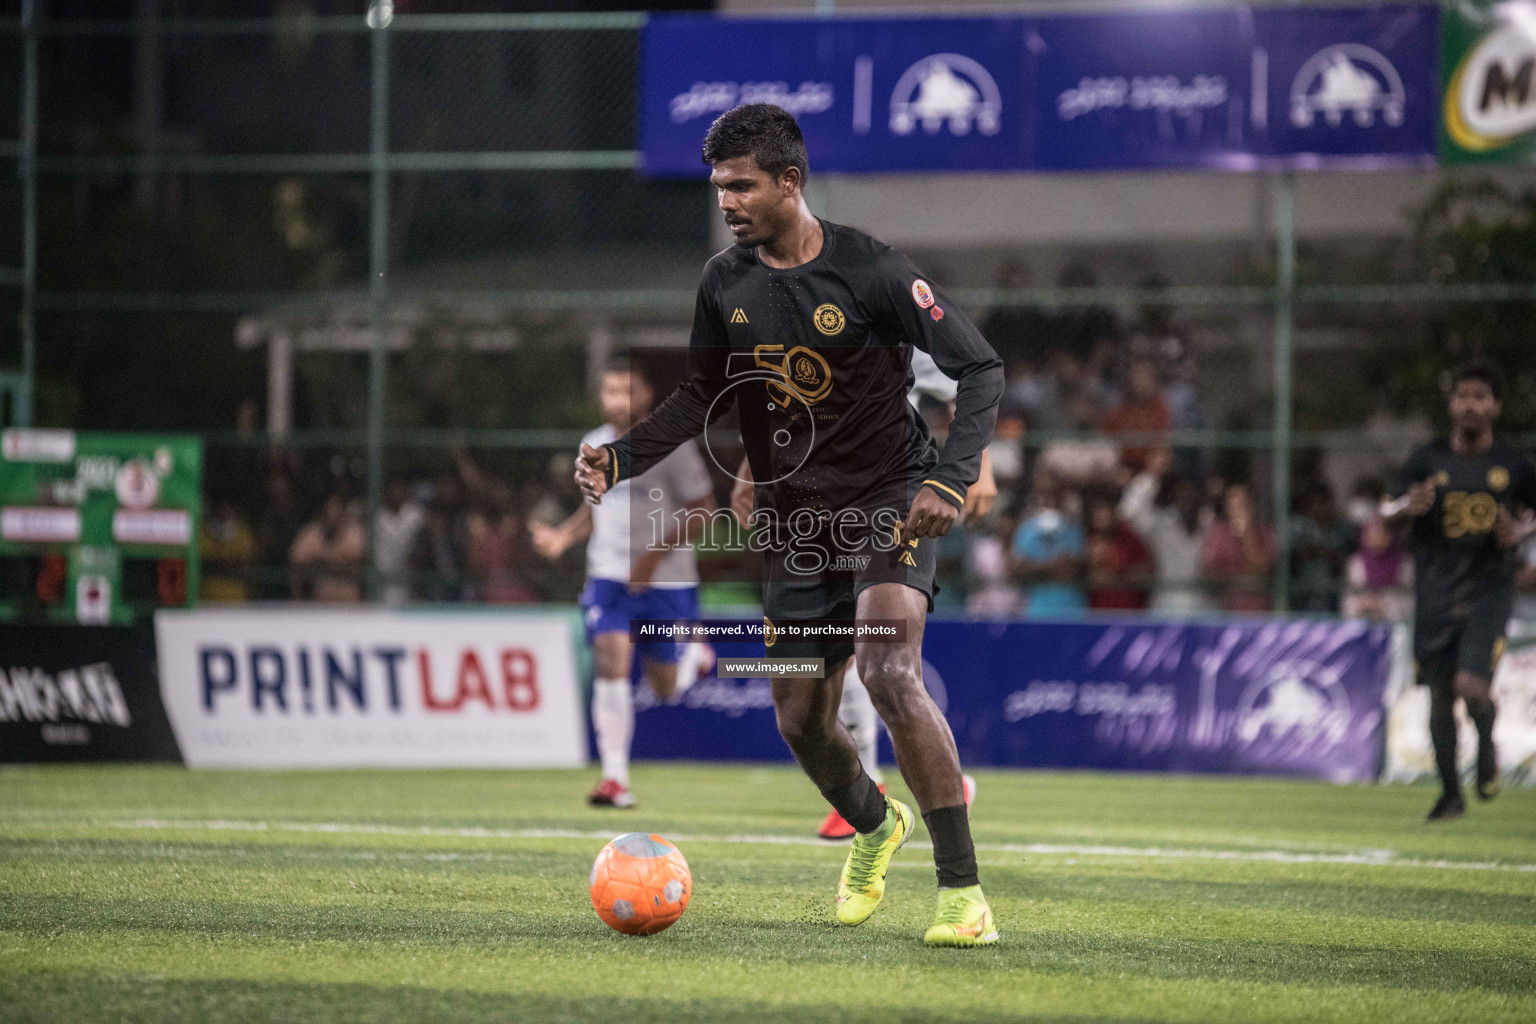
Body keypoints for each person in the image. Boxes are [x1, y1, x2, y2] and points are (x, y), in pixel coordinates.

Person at [574, 104, 1004, 946]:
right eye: (719, 186)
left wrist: (951, 480)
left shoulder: (873, 271)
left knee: (887, 668)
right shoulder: (724, 282)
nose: (727, 200)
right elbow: (705, 395)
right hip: (800, 523)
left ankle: (963, 895)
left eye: (742, 185)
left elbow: (979, 365)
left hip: (890, 498)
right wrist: (623, 459)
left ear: (790, 182)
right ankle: (877, 828)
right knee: (798, 718)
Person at [730, 346, 983, 840]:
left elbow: (963, 390)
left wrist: (979, 468)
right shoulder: (762, 304)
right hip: (807, 507)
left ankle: (926, 812)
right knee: (817, 683)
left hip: (884, 494)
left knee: (881, 664)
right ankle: (880, 793)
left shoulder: (878, 305)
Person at [535, 355, 718, 809]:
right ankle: (615, 779)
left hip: (667, 583)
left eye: (626, 391)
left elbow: (706, 511)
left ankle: (691, 657)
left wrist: (652, 560)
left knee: (664, 687)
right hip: (609, 578)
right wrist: (563, 537)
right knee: (609, 663)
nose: (617, 400)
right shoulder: (593, 444)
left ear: (647, 395)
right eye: (609, 390)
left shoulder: (672, 445)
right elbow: (595, 510)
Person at [1383, 362, 1536, 822]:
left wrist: (1520, 530)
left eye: (1480, 396)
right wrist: (1408, 507)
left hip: (1488, 591)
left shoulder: (1512, 465)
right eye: (1462, 396)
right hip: (1434, 594)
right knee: (1438, 696)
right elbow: (1387, 510)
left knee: (1471, 686)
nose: (1470, 404)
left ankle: (1486, 739)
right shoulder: (1426, 460)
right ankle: (1450, 793)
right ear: (1451, 405)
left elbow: (1533, 516)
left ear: (1495, 407)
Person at [1118, 449, 1214, 614]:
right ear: (1174, 497)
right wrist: (1152, 474)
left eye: (1192, 493)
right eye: (1182, 494)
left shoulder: (1211, 525)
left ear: (1200, 496)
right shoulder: (1161, 524)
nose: (1187, 499)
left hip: (1203, 608)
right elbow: (1129, 512)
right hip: (1166, 607)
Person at [1012, 473, 1088, 617]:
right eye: (1043, 494)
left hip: (1072, 611)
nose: (1048, 500)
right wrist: (1052, 567)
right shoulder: (1025, 531)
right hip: (1037, 611)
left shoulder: (1074, 529)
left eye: (1053, 494)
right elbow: (1017, 572)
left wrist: (1034, 566)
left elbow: (1071, 571)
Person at [1201, 482, 1276, 612]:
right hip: (1227, 610)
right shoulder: (1219, 532)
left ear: (1252, 507)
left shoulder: (1265, 533)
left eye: (1242, 505)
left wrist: (1247, 535)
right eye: (1232, 505)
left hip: (1259, 611)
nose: (1236, 510)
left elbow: (1262, 569)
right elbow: (1209, 571)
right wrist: (1235, 579)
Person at [289, 490, 366, 602]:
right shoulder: (311, 533)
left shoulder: (354, 533)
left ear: (344, 514)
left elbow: (362, 565)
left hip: (351, 607)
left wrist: (323, 563)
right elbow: (296, 563)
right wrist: (337, 564)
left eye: (337, 514)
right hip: (318, 607)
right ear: (322, 514)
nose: (333, 518)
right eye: (329, 513)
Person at [1084, 488, 1152, 611]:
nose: (1103, 521)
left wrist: (1118, 576)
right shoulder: (1087, 540)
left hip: (1130, 610)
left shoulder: (1130, 538)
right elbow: (1090, 578)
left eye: (1106, 516)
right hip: (1098, 613)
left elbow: (1146, 572)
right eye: (1099, 518)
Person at [1342, 516, 1412, 621]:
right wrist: (1363, 604)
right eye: (1372, 534)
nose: (1377, 538)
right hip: (1362, 620)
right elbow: (1348, 597)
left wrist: (1384, 605)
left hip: (1395, 620)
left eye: (1383, 533)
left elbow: (1410, 598)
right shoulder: (1356, 562)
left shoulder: (1405, 562)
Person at [375, 478, 425, 605]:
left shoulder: (416, 515)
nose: (396, 492)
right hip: (382, 581)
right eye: (393, 489)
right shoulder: (378, 516)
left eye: (400, 488)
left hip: (408, 581)